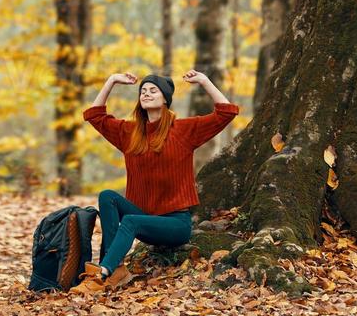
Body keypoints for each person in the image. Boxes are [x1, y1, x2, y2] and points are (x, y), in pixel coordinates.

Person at [69, 69, 239, 296]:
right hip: (144, 218)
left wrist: (204, 80)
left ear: (165, 99)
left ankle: (102, 274)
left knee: (129, 220)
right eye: (143, 91)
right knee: (107, 196)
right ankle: (115, 269)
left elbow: (226, 112)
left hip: (175, 224)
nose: (146, 94)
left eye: (153, 90)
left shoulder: (183, 130)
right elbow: (95, 116)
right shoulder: (129, 133)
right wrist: (111, 81)